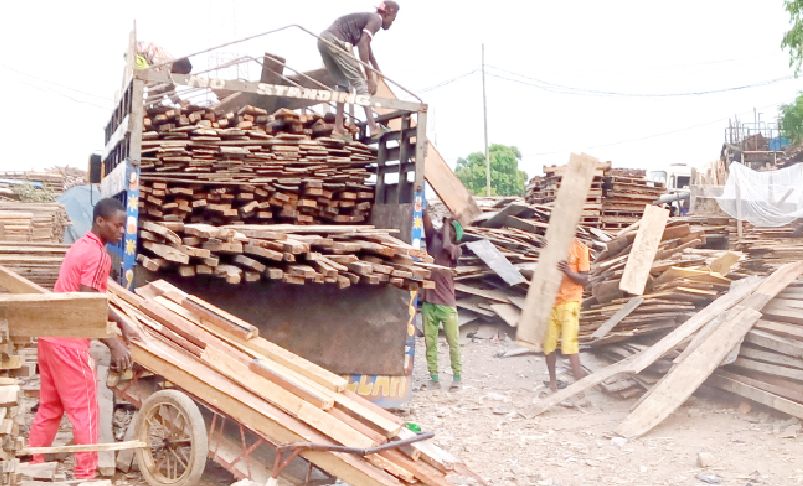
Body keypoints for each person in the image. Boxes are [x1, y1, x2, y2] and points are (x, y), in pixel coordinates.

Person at [27, 198, 133, 480]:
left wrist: (119, 320)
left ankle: (34, 464)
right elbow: (86, 301)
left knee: (51, 406)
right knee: (85, 409)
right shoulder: (99, 256)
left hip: (50, 338)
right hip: (70, 342)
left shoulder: (80, 247)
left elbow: (87, 294)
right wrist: (113, 342)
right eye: (117, 225)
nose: (121, 231)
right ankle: (85, 475)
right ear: (100, 221)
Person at [318, 1, 399, 139]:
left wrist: (376, 67)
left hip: (323, 40)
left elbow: (367, 45)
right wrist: (369, 77)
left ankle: (338, 128)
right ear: (388, 13)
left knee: (343, 84)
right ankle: (373, 127)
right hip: (335, 41)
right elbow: (363, 44)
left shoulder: (370, 19)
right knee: (360, 82)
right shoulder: (376, 20)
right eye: (393, 18)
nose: (392, 23)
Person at [421, 209, 463, 390]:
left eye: (449, 229)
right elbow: (426, 222)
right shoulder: (432, 241)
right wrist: (423, 208)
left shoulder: (455, 249)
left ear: (454, 235)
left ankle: (457, 377)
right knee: (430, 344)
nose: (444, 229)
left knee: (453, 343)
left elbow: (446, 244)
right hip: (429, 301)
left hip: (446, 304)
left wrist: (447, 222)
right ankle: (434, 378)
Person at [544, 237, 590, 393]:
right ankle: (553, 384)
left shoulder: (580, 247)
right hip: (551, 301)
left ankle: (580, 389)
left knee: (570, 346)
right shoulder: (551, 245)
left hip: (570, 302)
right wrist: (545, 252)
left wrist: (568, 271)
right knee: (548, 345)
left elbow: (585, 280)